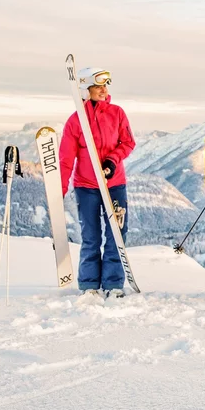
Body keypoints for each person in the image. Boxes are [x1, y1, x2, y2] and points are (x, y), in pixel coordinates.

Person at [59, 67, 136, 298]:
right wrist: (59, 190)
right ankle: (89, 283)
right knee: (91, 236)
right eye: (98, 86)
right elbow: (65, 159)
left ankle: (113, 283)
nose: (104, 91)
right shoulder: (75, 121)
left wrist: (112, 161)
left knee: (116, 234)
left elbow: (128, 143)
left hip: (114, 184)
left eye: (105, 86)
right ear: (85, 90)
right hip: (86, 186)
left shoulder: (117, 113)